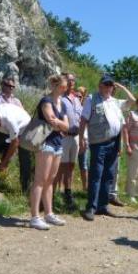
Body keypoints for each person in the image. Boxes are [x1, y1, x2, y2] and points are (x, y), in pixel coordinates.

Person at [80, 74, 134, 221]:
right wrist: (82, 139)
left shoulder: (115, 101)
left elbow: (132, 101)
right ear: (100, 85)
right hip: (98, 143)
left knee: (108, 176)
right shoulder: (92, 99)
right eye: (105, 84)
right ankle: (91, 207)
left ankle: (103, 206)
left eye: (110, 85)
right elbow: (83, 120)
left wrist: (122, 87)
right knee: (96, 175)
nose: (108, 87)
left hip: (114, 143)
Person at [29, 74, 69, 230]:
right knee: (40, 179)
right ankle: (34, 216)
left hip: (58, 143)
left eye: (66, 87)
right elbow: (51, 120)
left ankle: (49, 213)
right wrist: (60, 124)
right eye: (63, 86)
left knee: (50, 180)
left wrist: (58, 124)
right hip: (45, 143)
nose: (65, 89)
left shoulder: (62, 104)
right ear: (56, 86)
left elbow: (67, 125)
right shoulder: (46, 101)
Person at [0, 77, 31, 192]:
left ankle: (25, 187)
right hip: (4, 132)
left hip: (18, 132)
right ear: (2, 85)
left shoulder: (17, 101)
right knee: (4, 156)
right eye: (8, 86)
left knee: (24, 159)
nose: (10, 89)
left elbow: (22, 114)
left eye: (13, 87)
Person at [56, 73, 82, 210]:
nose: (72, 81)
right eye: (69, 79)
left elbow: (81, 117)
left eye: (73, 79)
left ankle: (68, 192)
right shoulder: (60, 98)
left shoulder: (76, 99)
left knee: (71, 166)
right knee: (61, 166)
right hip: (64, 136)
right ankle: (53, 193)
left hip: (75, 136)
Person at [0, 103, 31, 177]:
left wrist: (4, 162)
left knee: (22, 156)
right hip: (6, 127)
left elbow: (15, 143)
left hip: (24, 128)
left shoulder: (10, 121)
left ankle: (3, 175)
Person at [76, 86, 89, 191]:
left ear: (83, 97)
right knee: (67, 164)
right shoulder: (71, 106)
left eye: (80, 96)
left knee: (83, 164)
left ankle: (85, 188)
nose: (78, 97)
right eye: (76, 95)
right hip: (72, 137)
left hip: (84, 139)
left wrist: (84, 138)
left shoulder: (85, 109)